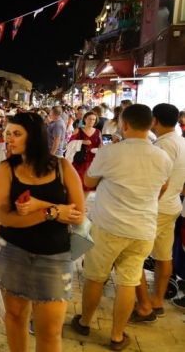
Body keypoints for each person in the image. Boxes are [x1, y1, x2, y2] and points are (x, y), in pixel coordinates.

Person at [72, 104, 171, 351]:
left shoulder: (111, 153)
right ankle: (117, 336)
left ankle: (84, 322)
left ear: (124, 125)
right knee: (128, 281)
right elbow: (163, 188)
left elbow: (88, 180)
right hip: (143, 228)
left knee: (95, 277)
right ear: (150, 125)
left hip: (108, 226)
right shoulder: (162, 157)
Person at [0, 112, 85, 352]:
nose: (9, 139)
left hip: (54, 256)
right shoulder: (6, 169)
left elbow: (78, 215)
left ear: (33, 137)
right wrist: (51, 212)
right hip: (12, 252)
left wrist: (39, 206)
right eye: (7, 134)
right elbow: (6, 219)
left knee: (50, 330)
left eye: (16, 134)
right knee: (14, 317)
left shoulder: (62, 167)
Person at [133, 104, 185, 320]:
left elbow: (158, 183)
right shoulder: (181, 141)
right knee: (164, 256)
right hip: (173, 206)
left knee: (132, 257)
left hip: (156, 209)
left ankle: (145, 305)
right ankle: (157, 301)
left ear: (154, 120)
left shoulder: (162, 146)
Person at [69, 111, 102, 189]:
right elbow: (70, 143)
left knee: (92, 184)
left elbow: (101, 144)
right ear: (85, 119)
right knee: (80, 183)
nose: (91, 121)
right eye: (90, 119)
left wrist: (101, 146)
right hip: (80, 160)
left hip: (93, 160)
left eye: (94, 119)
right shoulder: (78, 130)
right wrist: (82, 142)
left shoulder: (98, 132)